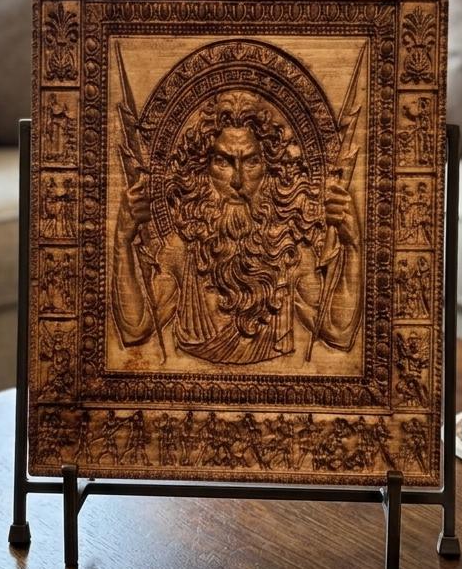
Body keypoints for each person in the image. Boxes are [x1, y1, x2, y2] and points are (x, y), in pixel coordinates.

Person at [111, 90, 363, 366]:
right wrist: (123, 241)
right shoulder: (181, 251)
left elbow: (338, 332)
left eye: (251, 161)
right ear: (202, 170)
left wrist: (352, 245)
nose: (238, 182)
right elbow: (136, 329)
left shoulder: (290, 253)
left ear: (270, 169)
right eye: (224, 162)